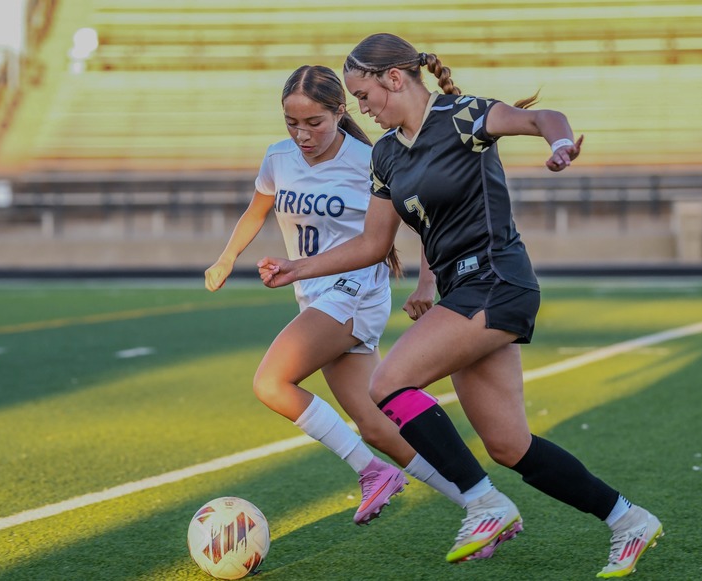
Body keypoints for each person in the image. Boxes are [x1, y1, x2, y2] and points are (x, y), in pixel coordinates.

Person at [258, 34, 663, 577]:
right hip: (463, 292)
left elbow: (546, 118)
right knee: (509, 445)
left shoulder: (462, 115)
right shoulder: (384, 153)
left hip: (498, 280)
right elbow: (372, 245)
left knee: (387, 385)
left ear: (394, 79)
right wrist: (296, 269)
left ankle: (483, 504)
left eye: (363, 94)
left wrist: (559, 145)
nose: (362, 108)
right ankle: (628, 520)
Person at [205, 64, 470, 528]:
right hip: (314, 295)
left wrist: (428, 282)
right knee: (377, 428)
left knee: (271, 383)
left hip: (353, 292)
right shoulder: (278, 158)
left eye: (314, 123)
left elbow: (425, 220)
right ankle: (482, 504)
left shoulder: (367, 161)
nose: (302, 134)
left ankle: (372, 474)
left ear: (340, 111)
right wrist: (226, 258)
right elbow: (256, 211)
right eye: (292, 123)